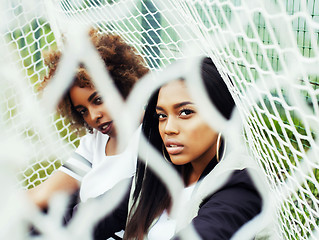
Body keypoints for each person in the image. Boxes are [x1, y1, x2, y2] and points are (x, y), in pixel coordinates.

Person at [94, 57, 262, 240]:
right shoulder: (155, 179)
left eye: (185, 112)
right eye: (161, 116)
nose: (168, 128)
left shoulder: (241, 185)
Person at [27, 29, 149, 209]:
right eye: (82, 111)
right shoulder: (95, 142)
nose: (93, 116)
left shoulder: (154, 135)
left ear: (123, 87)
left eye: (99, 100)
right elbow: (43, 194)